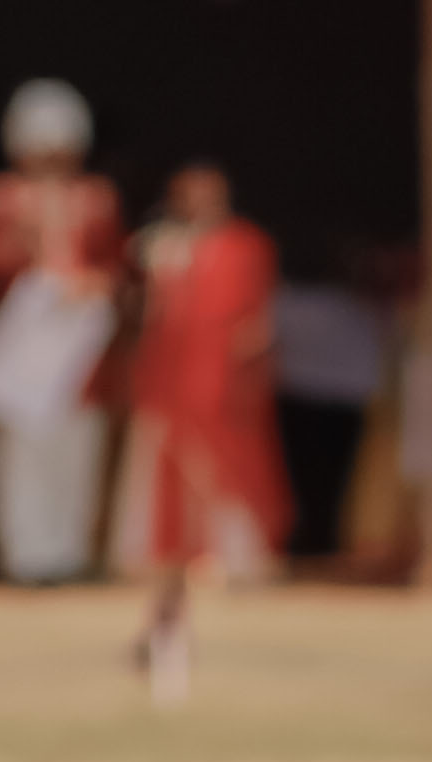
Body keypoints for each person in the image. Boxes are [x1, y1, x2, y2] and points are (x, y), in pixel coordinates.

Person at [113, 160, 288, 696]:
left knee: (229, 473)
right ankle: (168, 564)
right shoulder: (162, 248)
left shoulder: (247, 247)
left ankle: (234, 558)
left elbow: (256, 316)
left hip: (220, 381)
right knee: (168, 477)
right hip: (170, 379)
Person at [0, 81, 125, 586]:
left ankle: (67, 551)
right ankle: (24, 554)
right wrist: (23, 261)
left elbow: (117, 263)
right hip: (20, 344)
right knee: (16, 453)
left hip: (78, 353)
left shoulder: (98, 199)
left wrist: (97, 284)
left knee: (74, 449)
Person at [270, 251, 389, 568]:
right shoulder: (361, 307)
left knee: (311, 477)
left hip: (311, 399)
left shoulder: (291, 303)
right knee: (328, 478)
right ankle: (320, 542)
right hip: (332, 400)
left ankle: (317, 543)